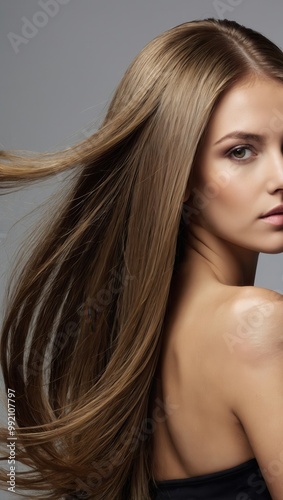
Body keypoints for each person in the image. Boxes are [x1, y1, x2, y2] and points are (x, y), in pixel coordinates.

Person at [0, 16, 283, 500]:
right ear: (178, 168)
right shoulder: (257, 324)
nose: (280, 174)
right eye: (240, 151)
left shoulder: (132, 337)